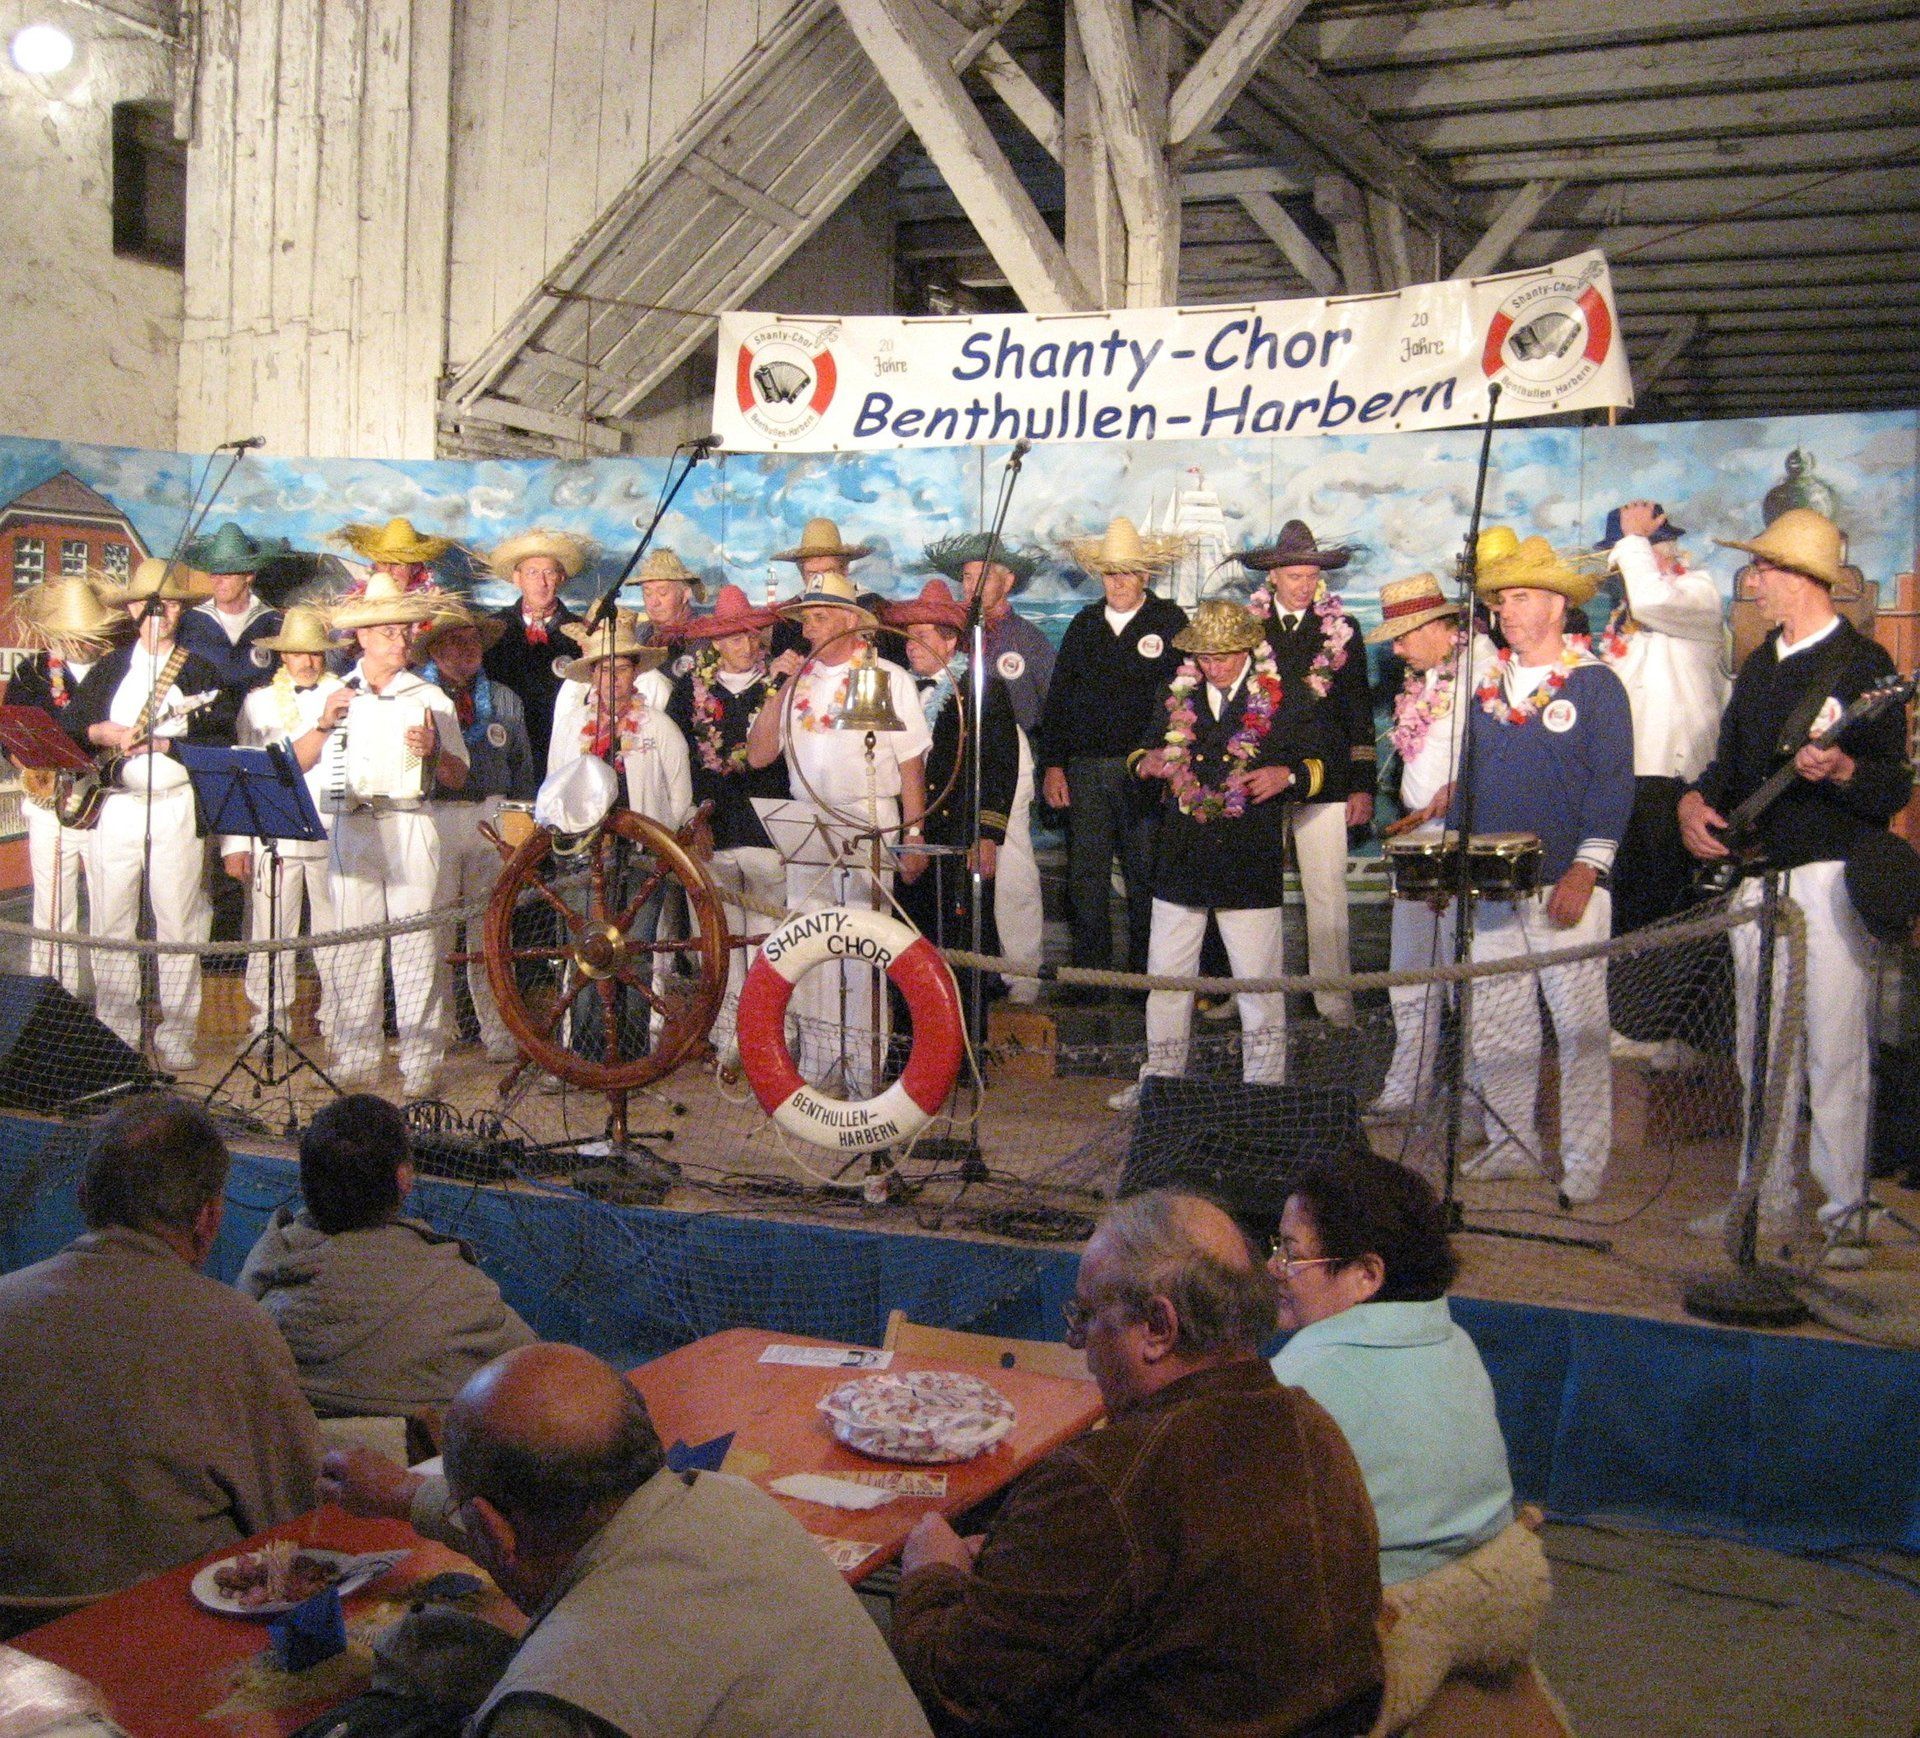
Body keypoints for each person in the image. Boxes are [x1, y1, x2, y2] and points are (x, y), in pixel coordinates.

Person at [893, 1189, 1383, 1738]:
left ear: (1157, 1327)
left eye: (1087, 1316)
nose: (1079, 1344)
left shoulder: (1103, 1479)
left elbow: (958, 1691)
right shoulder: (1313, 1426)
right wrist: (1024, 1557)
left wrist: (932, 1572)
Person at [316, 1343, 935, 1738]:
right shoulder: (734, 1503)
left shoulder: (552, 1709)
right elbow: (536, 1533)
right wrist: (405, 1495)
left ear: (490, 1527)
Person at [1680, 508, 1911, 1265]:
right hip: (1757, 875)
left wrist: (1842, 769)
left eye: (1765, 571)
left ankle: (1845, 1210)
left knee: (1835, 1048)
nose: (1754, 583)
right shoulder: (1757, 666)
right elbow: (1730, 766)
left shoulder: (1865, 667)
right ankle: (1764, 1190)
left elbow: (1891, 786)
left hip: (1829, 877)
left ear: (1804, 580)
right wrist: (1694, 802)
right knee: (1757, 1045)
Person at [0, 1094, 321, 1602]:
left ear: (83, 1197)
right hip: (175, 1637)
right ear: (208, 1217)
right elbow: (296, 1520)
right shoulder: (235, 1330)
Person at [1269, 1152, 1548, 1735]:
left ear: (1366, 1276)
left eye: (1292, 1253)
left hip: (1395, 1635)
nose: (1275, 1268)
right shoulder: (1457, 1338)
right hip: (1500, 1597)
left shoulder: (1302, 1373)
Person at [1448, 531, 1635, 1207]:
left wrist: (1588, 868)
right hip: (1492, 884)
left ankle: (1584, 1159)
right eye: (1500, 600)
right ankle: (1510, 1143)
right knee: (1499, 1020)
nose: (1506, 610)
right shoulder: (1488, 691)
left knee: (1580, 1027)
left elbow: (1613, 784)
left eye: (1520, 597)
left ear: (1557, 605)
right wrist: (1450, 862)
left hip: (1565, 884)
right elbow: (1466, 781)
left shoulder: (1595, 686)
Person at [1115, 599, 1320, 1110]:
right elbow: (1140, 750)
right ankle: (1159, 1083)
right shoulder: (1172, 691)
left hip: (1247, 855)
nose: (1216, 665)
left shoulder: (1284, 694)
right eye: (1205, 656)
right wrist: (1147, 765)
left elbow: (1324, 761)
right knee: (1166, 981)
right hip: (1180, 857)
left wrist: (1287, 776)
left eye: (1226, 654)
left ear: (1249, 647)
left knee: (1257, 987)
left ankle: (1264, 1091)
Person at [746, 569, 931, 1096]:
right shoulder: (797, 679)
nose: (808, 629)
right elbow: (760, 754)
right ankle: (822, 1070)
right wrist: (782, 683)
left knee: (862, 955)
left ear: (850, 621)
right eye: (806, 619)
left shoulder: (885, 676)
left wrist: (913, 833)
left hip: (870, 821)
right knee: (810, 953)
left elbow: (912, 761)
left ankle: (864, 1075)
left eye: (820, 617)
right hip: (807, 826)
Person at [238, 1094, 536, 1415]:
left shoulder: (251, 1299)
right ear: (403, 1179)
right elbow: (534, 1375)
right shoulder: (465, 1297)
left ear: (306, 1180)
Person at [69, 557, 240, 1071]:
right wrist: (104, 733)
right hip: (116, 806)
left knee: (180, 921)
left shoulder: (201, 671)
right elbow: (74, 725)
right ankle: (114, 1029)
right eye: (147, 605)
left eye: (166, 605)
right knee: (111, 919)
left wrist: (169, 744)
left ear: (178, 611)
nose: (156, 613)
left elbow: (222, 740)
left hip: (175, 807)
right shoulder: (110, 667)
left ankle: (179, 1032)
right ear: (133, 610)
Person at [307, 575, 469, 1098]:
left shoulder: (429, 696)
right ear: (363, 637)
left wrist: (433, 751)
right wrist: (324, 723)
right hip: (351, 824)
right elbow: (302, 761)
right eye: (390, 633)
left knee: (416, 944)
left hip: (409, 820)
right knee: (354, 944)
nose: (401, 642)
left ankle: (421, 1060)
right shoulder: (337, 695)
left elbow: (457, 775)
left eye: (405, 633)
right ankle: (357, 1054)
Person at [1591, 502, 1731, 1070]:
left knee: (1678, 909)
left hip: (1682, 782)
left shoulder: (1695, 595)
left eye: (1627, 555)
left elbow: (1652, 597)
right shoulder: (1625, 622)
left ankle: (1681, 1032)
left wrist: (1633, 540)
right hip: (1632, 780)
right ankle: (1636, 1024)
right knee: (1633, 908)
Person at [1037, 517, 1188, 986]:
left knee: (1146, 875)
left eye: (1127, 572)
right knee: (1086, 877)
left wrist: (1168, 760)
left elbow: (1185, 697)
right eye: (1110, 573)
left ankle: (1148, 977)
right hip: (1084, 770)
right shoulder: (1083, 625)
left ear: (1144, 575)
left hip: (1144, 773)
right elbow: (1059, 700)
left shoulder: (1170, 622)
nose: (1117, 582)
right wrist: (1054, 765)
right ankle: (1090, 978)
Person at [1366, 575, 1496, 1119]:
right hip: (1420, 840)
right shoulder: (1429, 674)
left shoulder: (1485, 670)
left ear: (1440, 628)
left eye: (1402, 636)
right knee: (1412, 966)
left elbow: (1500, 753)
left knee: (1462, 973)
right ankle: (1408, 1085)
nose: (1396, 649)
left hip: (1461, 839)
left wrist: (1465, 788)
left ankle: (1475, 1098)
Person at [1238, 520, 1376, 1026]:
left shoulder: (1343, 630)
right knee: (1249, 891)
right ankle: (1249, 995)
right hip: (1257, 776)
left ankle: (1334, 1001)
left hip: (1327, 776)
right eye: (1293, 575)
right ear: (1272, 577)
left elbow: (1358, 708)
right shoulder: (1246, 627)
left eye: (1310, 576)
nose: (1302, 584)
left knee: (1326, 893)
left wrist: (1363, 784)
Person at [548, 612, 694, 1062]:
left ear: (636, 673)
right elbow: (554, 788)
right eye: (605, 669)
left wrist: (661, 848)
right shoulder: (572, 726)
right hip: (583, 858)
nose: (613, 678)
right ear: (593, 674)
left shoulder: (659, 727)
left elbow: (680, 798)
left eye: (623, 668)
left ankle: (629, 1054)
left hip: (642, 862)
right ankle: (588, 1052)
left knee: (634, 955)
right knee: (587, 951)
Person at [926, 533, 1055, 1002]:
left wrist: (1050, 765)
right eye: (965, 575)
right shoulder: (954, 633)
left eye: (982, 574)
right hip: (956, 756)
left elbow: (1051, 709)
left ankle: (1023, 976)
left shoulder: (1028, 640)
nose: (971, 584)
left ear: (1008, 580)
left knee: (1012, 861)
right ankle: (970, 973)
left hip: (1010, 755)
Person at [888, 578, 1020, 1036]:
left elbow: (1001, 765)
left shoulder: (982, 691)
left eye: (923, 636)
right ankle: (908, 1051)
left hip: (958, 836)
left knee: (960, 950)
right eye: (909, 636)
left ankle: (965, 1052)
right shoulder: (897, 690)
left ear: (951, 640)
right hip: (909, 838)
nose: (911, 647)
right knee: (906, 947)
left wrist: (988, 835)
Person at [666, 583, 790, 1054]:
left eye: (755, 636)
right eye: (737, 637)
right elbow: (679, 764)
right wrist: (692, 822)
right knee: (720, 939)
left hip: (767, 830)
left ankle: (774, 1037)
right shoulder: (688, 691)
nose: (749, 645)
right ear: (716, 642)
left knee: (770, 941)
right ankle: (728, 1039)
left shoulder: (779, 687)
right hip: (713, 832)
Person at [221, 605, 347, 1039]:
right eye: (298, 654)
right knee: (272, 930)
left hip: (336, 829)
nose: (308, 662)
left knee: (337, 931)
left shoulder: (346, 696)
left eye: (315, 653)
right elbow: (242, 770)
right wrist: (235, 842)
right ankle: (268, 1022)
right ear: (283, 658)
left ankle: (340, 1020)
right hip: (272, 831)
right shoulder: (257, 703)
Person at [418, 606, 536, 1063]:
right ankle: (440, 1029)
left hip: (492, 814)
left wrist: (519, 836)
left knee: (489, 933)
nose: (466, 650)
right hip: (436, 816)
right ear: (433, 649)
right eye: (453, 641)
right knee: (434, 933)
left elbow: (523, 770)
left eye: (472, 641)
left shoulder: (504, 699)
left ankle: (497, 1029)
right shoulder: (419, 696)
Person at [2, 575, 123, 993]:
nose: (80, 644)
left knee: (110, 908)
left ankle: (112, 1004)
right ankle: (53, 998)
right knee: (52, 907)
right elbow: (11, 732)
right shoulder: (34, 671)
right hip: (49, 801)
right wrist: (25, 755)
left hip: (105, 801)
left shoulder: (120, 666)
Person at [483, 530, 589, 767]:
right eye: (532, 573)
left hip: (562, 748)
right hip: (503, 745)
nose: (542, 583)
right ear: (517, 578)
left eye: (549, 573)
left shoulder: (582, 633)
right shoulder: (493, 629)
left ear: (561, 578)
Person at [177, 520, 290, 694]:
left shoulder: (274, 623)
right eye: (214, 573)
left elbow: (286, 677)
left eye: (228, 574)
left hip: (258, 718)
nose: (218, 581)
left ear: (249, 575)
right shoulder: (189, 622)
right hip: (203, 718)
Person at [628, 545, 706, 658]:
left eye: (663, 592)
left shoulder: (701, 635)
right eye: (647, 593)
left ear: (685, 594)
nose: (654, 603)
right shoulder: (641, 633)